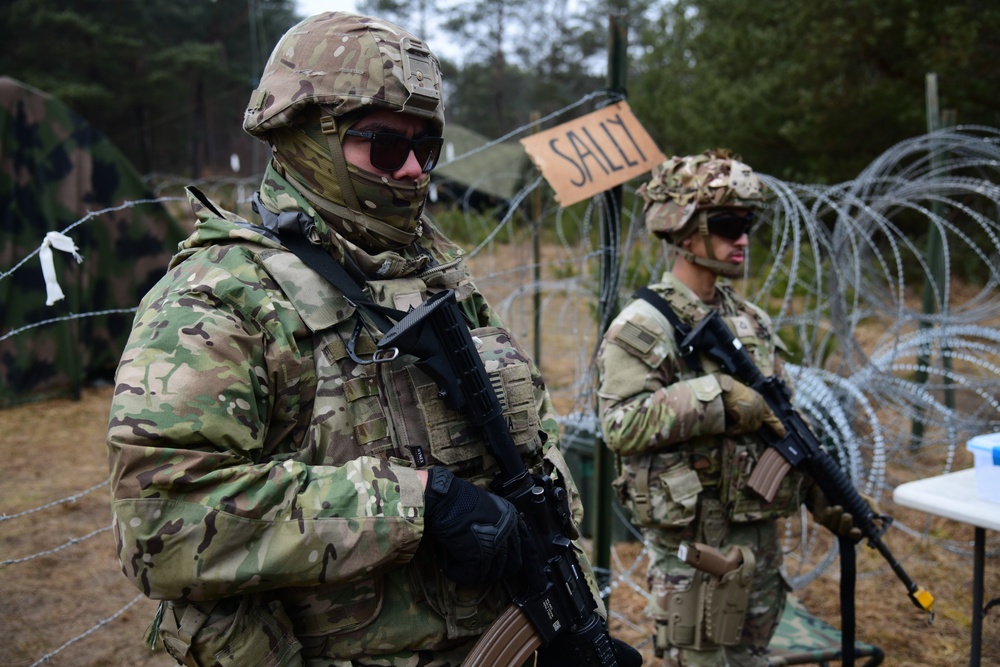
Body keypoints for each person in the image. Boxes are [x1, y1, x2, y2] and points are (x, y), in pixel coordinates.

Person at [107, 12, 639, 667]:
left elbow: (531, 453)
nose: (414, 170)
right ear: (306, 137)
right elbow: (158, 521)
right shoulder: (225, 294)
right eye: (385, 147)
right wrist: (417, 504)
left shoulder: (436, 278)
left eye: (427, 149)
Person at [596, 150, 855, 666]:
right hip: (697, 553)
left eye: (748, 225)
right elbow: (619, 424)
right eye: (728, 224)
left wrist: (819, 492)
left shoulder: (750, 320)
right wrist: (716, 396)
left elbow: (778, 427)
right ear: (685, 228)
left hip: (757, 543)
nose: (742, 238)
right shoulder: (644, 325)